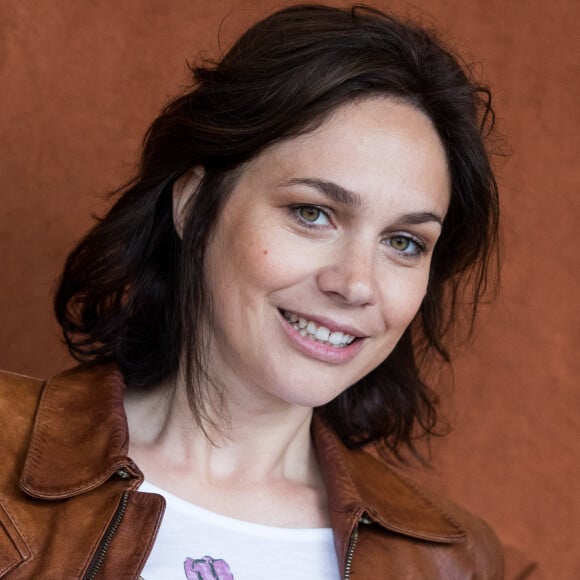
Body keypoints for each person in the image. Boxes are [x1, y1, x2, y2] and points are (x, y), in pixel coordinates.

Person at [0, 4, 503, 579]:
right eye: (312, 213)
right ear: (194, 203)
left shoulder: (453, 563)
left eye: (405, 243)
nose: (357, 283)